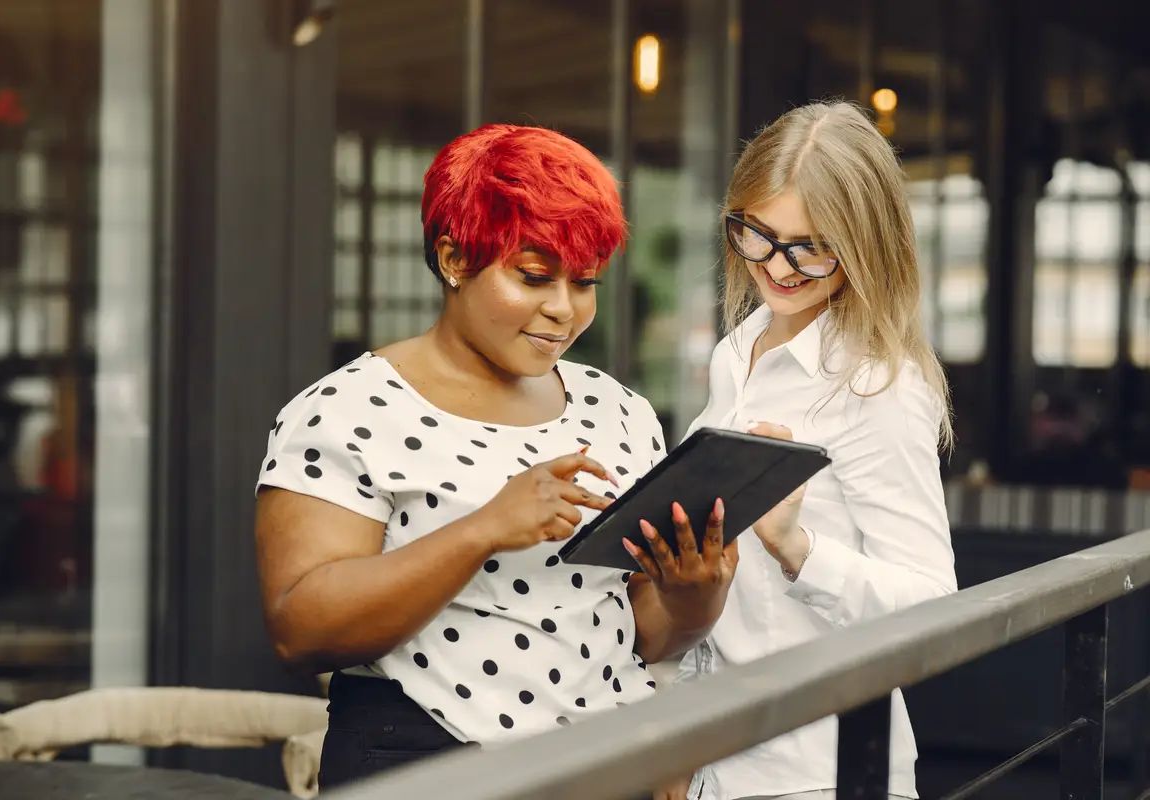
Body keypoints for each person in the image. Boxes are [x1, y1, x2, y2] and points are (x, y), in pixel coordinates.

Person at [254, 123, 735, 796]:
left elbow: (637, 636)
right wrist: (484, 528)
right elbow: (301, 631)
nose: (564, 310)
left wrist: (692, 598)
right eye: (535, 276)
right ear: (454, 258)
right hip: (427, 760)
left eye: (585, 282)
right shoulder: (348, 409)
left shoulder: (618, 411)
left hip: (612, 764)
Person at [678, 101, 958, 800]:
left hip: (816, 774)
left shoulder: (873, 385)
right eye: (759, 235)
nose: (780, 266)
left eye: (813, 245)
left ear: (867, 244)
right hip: (715, 759)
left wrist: (797, 547)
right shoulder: (737, 351)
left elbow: (935, 610)